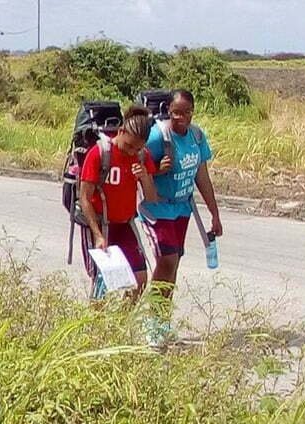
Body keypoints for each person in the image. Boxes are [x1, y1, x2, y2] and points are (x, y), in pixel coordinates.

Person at [139, 90, 223, 339]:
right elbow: (138, 164)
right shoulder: (157, 136)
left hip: (182, 210)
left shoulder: (196, 136)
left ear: (192, 112)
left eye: (186, 112)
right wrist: (156, 169)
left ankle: (162, 323)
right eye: (176, 112)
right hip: (157, 210)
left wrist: (214, 213)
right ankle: (152, 324)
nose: (181, 117)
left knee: (173, 266)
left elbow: (202, 177)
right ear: (168, 110)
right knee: (167, 261)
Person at [79, 105, 158, 301]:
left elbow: (151, 198)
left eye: (137, 148)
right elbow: (85, 198)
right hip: (100, 224)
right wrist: (97, 235)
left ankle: (122, 319)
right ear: (121, 131)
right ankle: (97, 321)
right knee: (102, 284)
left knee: (140, 280)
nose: (132, 152)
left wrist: (145, 177)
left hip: (125, 225)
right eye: (129, 146)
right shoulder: (99, 153)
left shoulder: (142, 156)